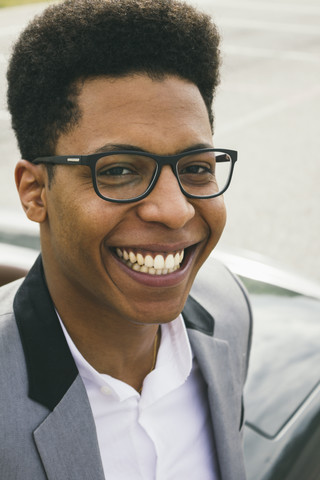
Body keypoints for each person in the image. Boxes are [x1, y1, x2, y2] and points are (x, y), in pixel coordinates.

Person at [1, 0, 252, 479]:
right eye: (118, 171)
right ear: (35, 193)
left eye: (196, 168)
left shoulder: (227, 310)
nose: (175, 209)